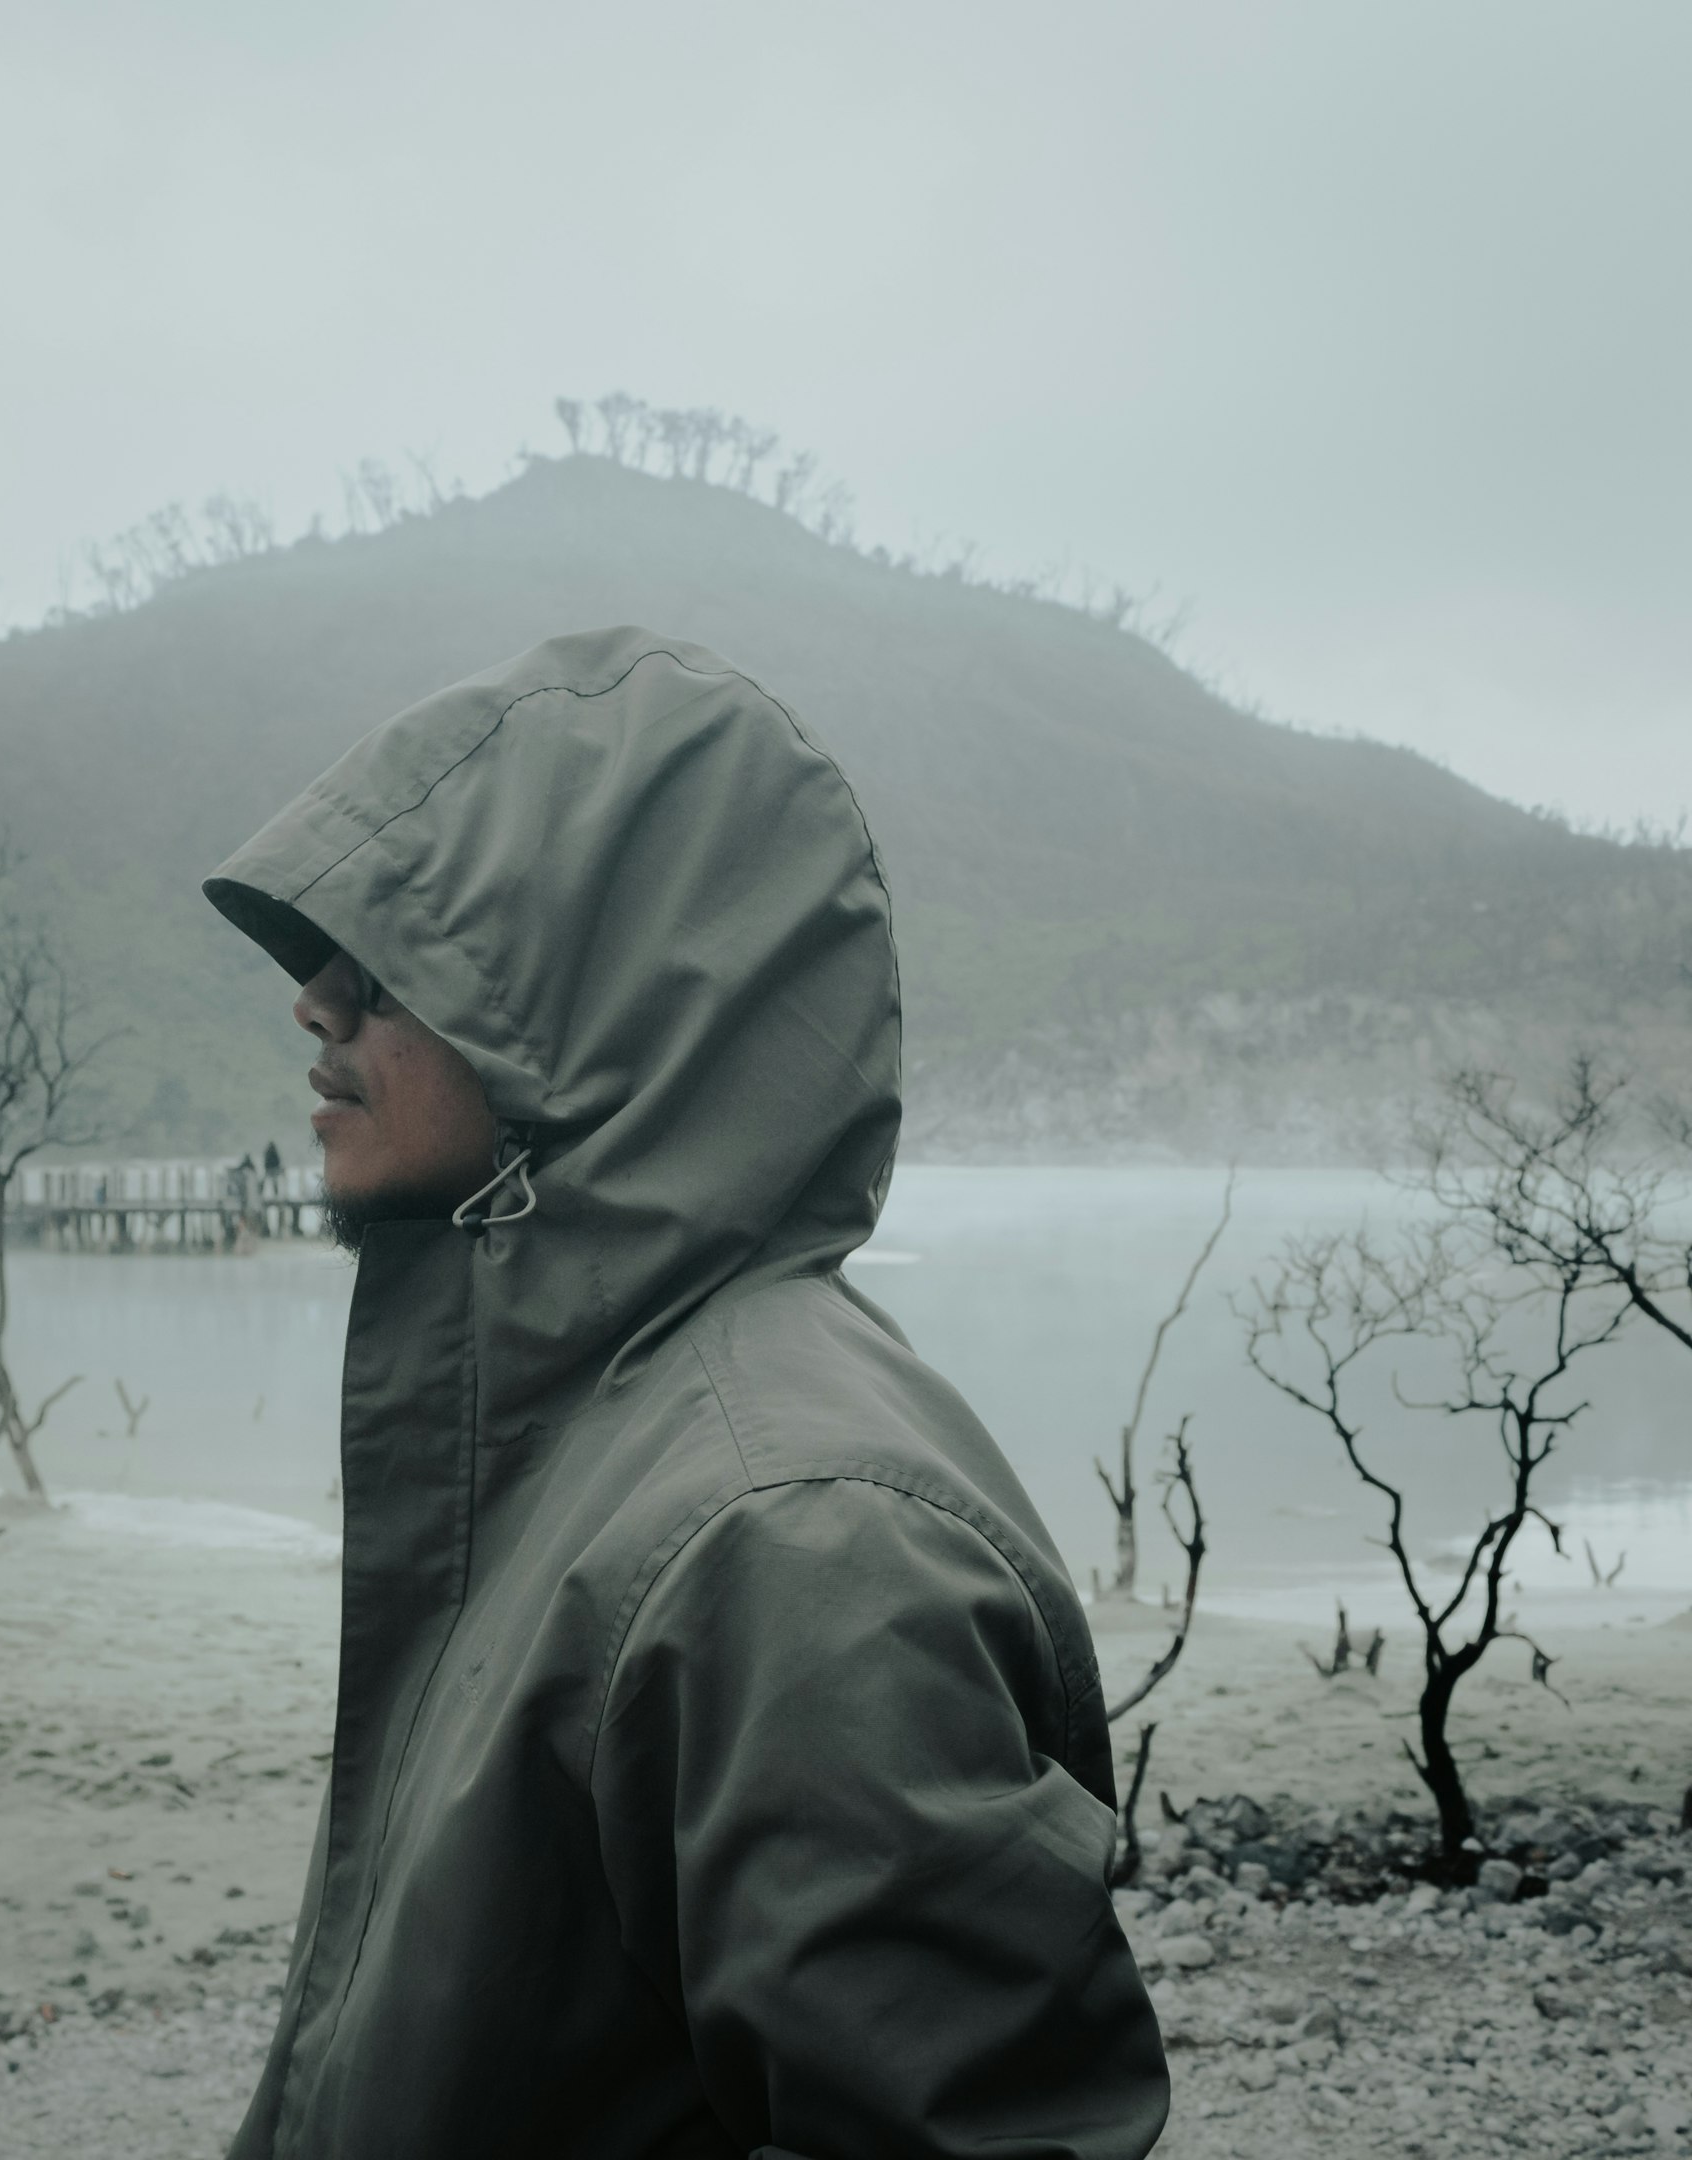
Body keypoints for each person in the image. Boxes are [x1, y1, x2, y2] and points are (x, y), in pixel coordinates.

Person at [202, 627, 1168, 2159]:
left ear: (603, 1010)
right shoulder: (583, 1434)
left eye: (388, 961)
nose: (315, 1006)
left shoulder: (794, 1540)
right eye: (322, 960)